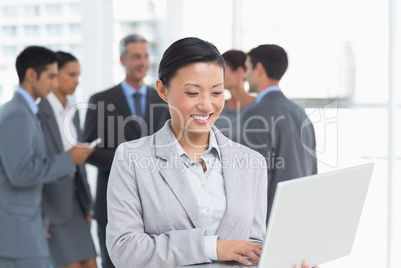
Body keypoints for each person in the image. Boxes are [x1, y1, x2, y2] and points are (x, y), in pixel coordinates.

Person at [106, 37, 318, 268]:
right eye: (192, 93)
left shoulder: (251, 162)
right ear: (162, 90)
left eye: (217, 92)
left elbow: (254, 251)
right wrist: (212, 247)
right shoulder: (132, 158)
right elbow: (124, 250)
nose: (207, 105)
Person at [0, 46, 93, 268]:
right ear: (31, 75)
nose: (53, 84)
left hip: (32, 223)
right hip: (19, 229)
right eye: (51, 76)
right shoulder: (16, 115)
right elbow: (21, 174)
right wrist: (69, 159)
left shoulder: (24, 112)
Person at [83, 33, 170, 268]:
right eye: (135, 57)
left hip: (157, 201)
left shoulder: (162, 99)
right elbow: (88, 149)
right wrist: (130, 159)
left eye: (145, 56)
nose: (142, 62)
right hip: (113, 200)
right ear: (123, 60)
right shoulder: (99, 100)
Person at [241, 44, 318, 223]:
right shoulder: (300, 112)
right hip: (301, 216)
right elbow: (312, 169)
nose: (245, 76)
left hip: (270, 221)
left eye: (247, 68)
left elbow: (256, 180)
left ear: (258, 69)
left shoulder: (256, 114)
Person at [38, 51, 97, 268]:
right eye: (71, 74)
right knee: (70, 265)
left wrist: (86, 206)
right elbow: (35, 166)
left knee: (91, 264)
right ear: (54, 75)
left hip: (75, 202)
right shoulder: (38, 112)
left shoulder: (73, 110)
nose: (76, 80)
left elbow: (79, 168)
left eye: (78, 75)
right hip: (51, 205)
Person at [214, 50, 256, 143]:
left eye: (223, 70)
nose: (218, 76)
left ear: (239, 72)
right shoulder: (218, 108)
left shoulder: (259, 106)